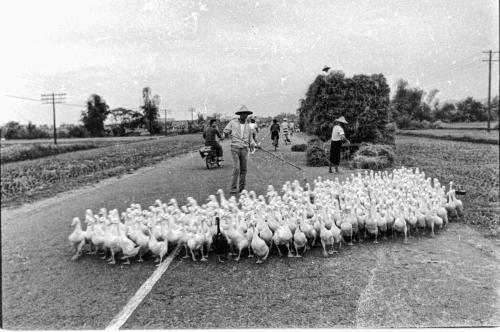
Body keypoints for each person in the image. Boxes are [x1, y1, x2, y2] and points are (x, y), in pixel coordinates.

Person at [223, 106, 256, 195]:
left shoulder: (248, 126)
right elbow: (225, 130)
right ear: (240, 114)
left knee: (244, 169)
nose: (245, 115)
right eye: (244, 114)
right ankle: (233, 187)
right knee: (237, 168)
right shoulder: (233, 122)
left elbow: (251, 139)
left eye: (247, 114)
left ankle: (242, 188)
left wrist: (253, 144)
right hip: (235, 147)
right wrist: (227, 133)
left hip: (244, 149)